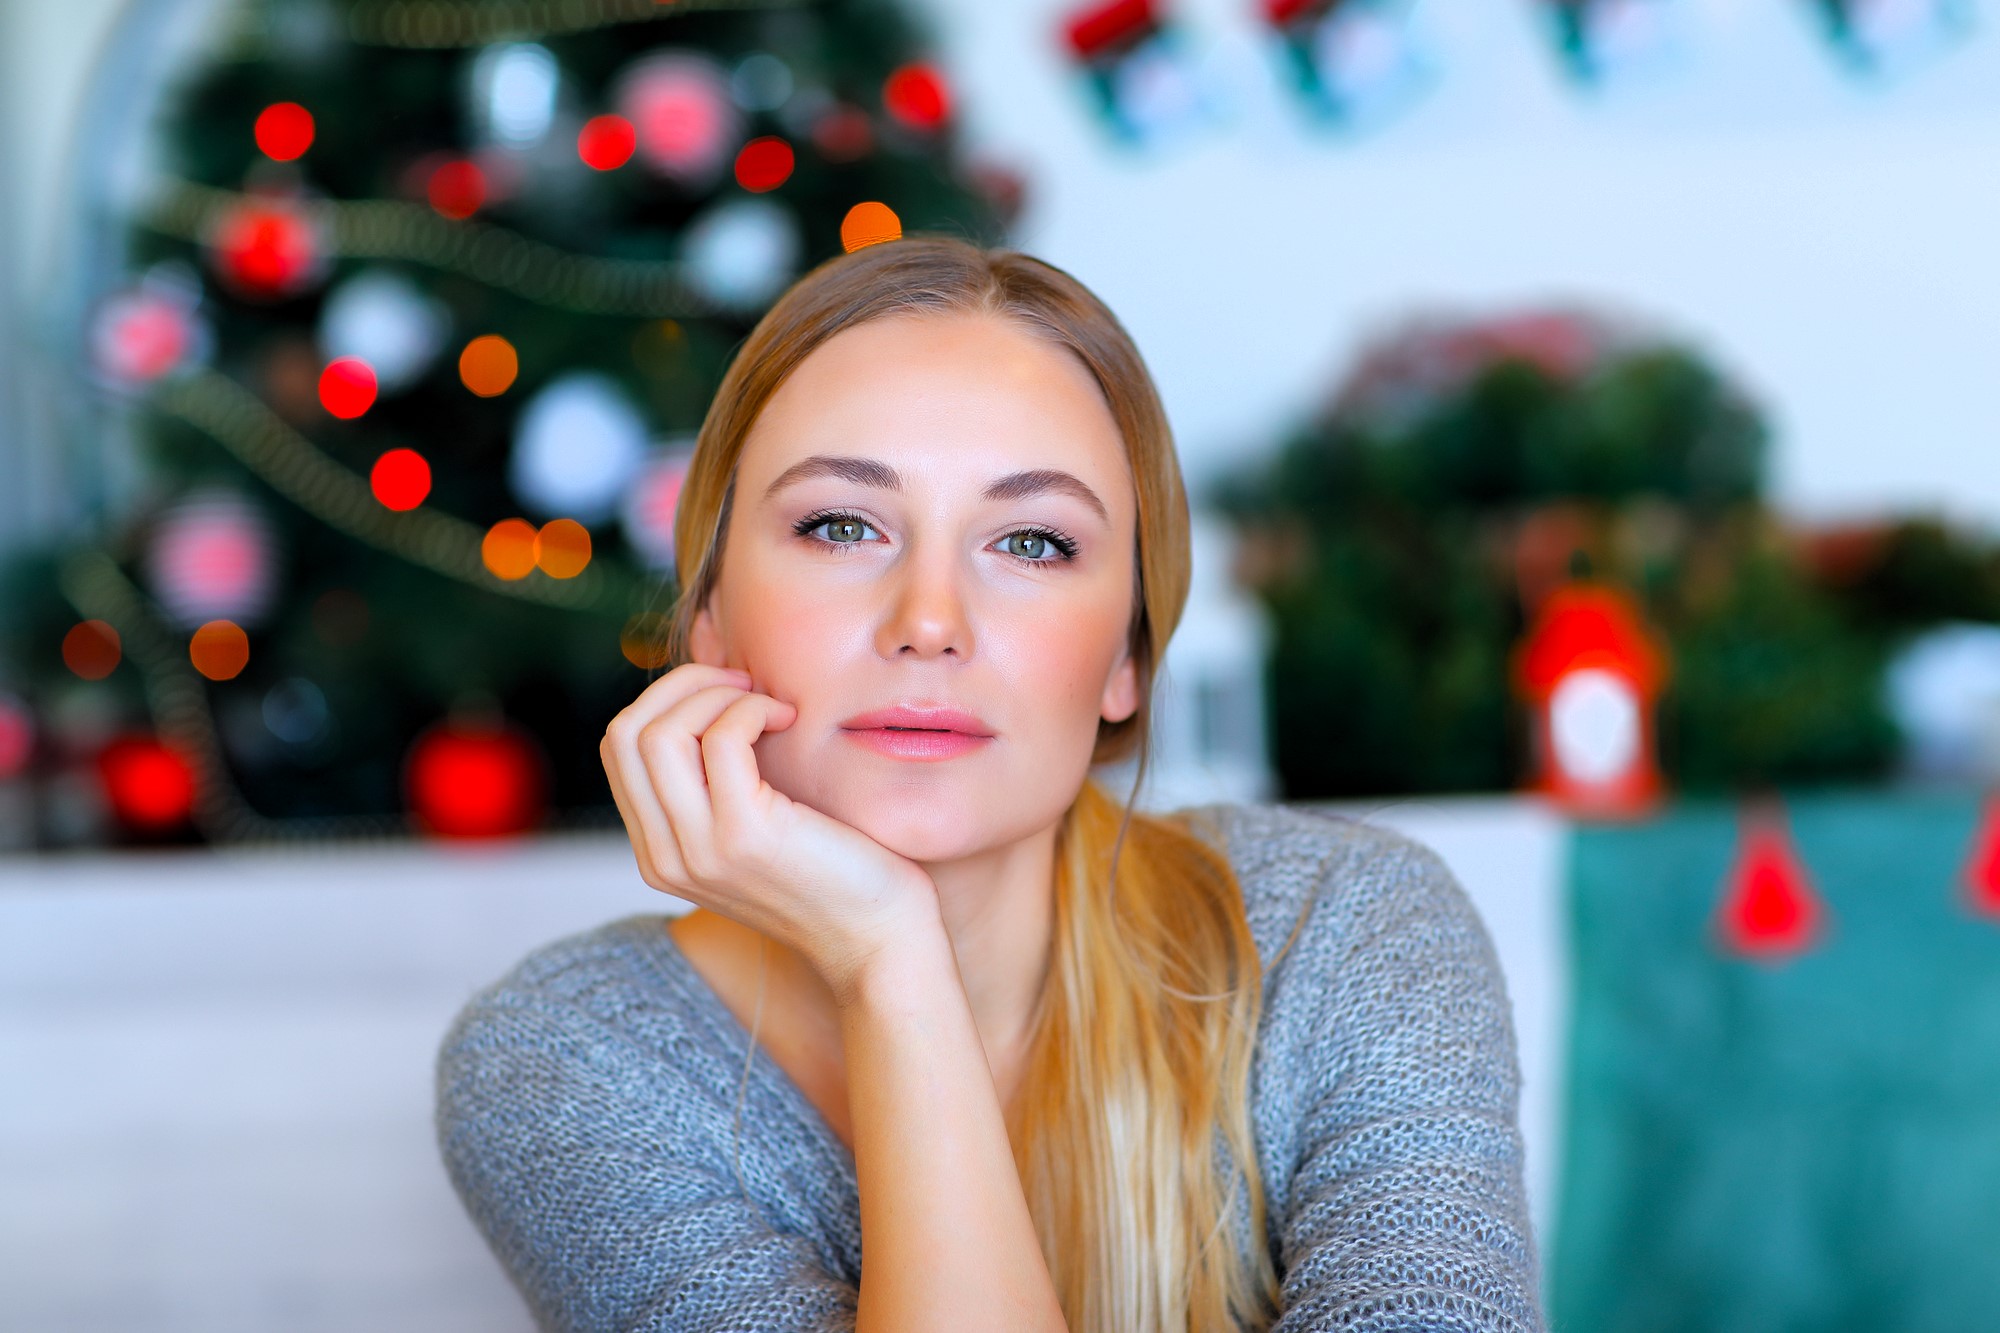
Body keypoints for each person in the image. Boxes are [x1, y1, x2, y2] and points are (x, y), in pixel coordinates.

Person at [434, 234, 1545, 1333]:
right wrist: (889, 962)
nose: (928, 623)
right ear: (710, 609)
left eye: (1031, 544)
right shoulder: (570, 1060)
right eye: (838, 525)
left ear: (1127, 655)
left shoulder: (1342, 930)